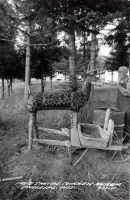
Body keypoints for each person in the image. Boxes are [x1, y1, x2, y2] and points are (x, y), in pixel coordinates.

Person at [111, 66, 130, 139]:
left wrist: (118, 86)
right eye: (119, 72)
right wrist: (114, 84)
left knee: (126, 120)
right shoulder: (120, 79)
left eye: (121, 72)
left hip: (127, 103)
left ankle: (128, 140)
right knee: (119, 119)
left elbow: (128, 93)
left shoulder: (128, 80)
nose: (119, 73)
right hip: (119, 102)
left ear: (126, 73)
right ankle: (120, 138)